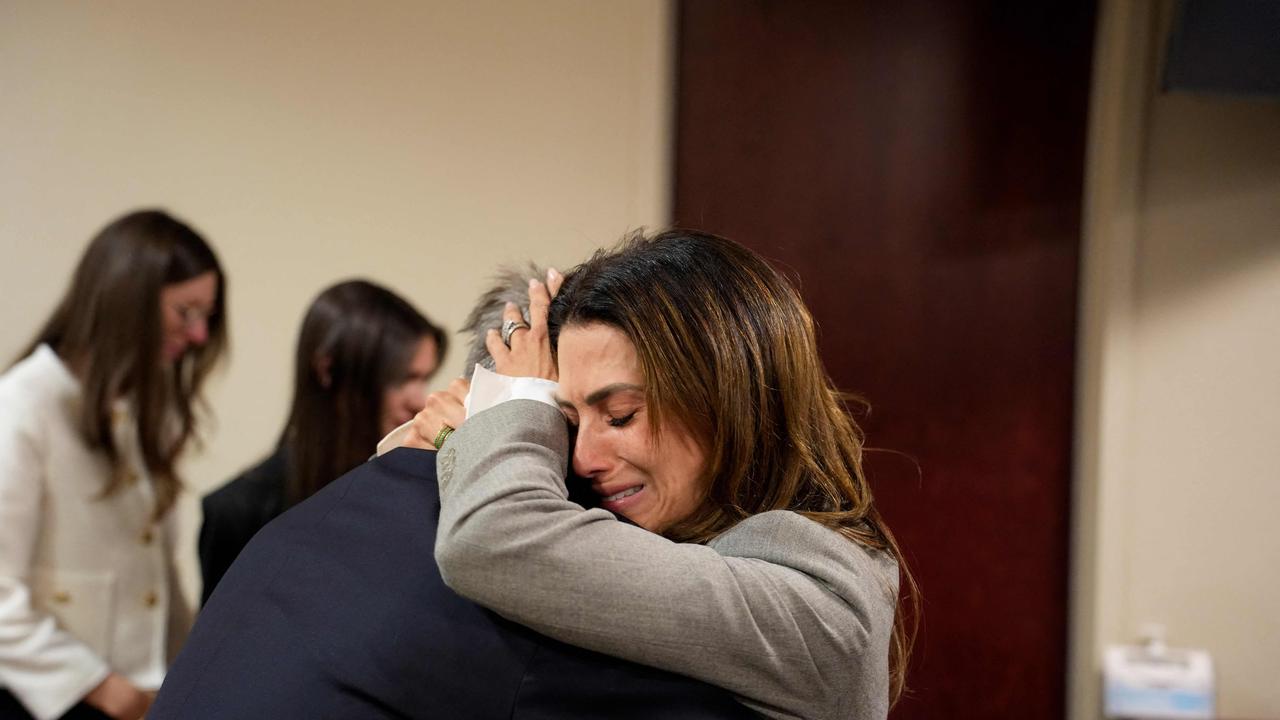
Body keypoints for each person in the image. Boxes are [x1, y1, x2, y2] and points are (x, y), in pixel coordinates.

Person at [146, 267, 757, 720]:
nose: (591, 458)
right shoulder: (514, 582)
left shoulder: (314, 520)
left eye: (620, 415)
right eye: (578, 418)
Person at [419, 230, 918, 720]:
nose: (581, 459)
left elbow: (493, 538)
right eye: (570, 422)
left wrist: (507, 406)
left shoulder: (818, 606)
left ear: (729, 400)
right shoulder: (676, 529)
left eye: (619, 415)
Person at [0, 210, 227, 720]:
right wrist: (107, 690)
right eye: (185, 312)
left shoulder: (149, 413)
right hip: (50, 703)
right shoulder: (20, 409)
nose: (198, 336)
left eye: (206, 316)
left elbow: (159, 582)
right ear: (127, 299)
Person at [197, 279, 445, 604]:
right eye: (403, 378)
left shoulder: (425, 495)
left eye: (425, 378)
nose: (420, 399)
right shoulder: (239, 514)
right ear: (327, 370)